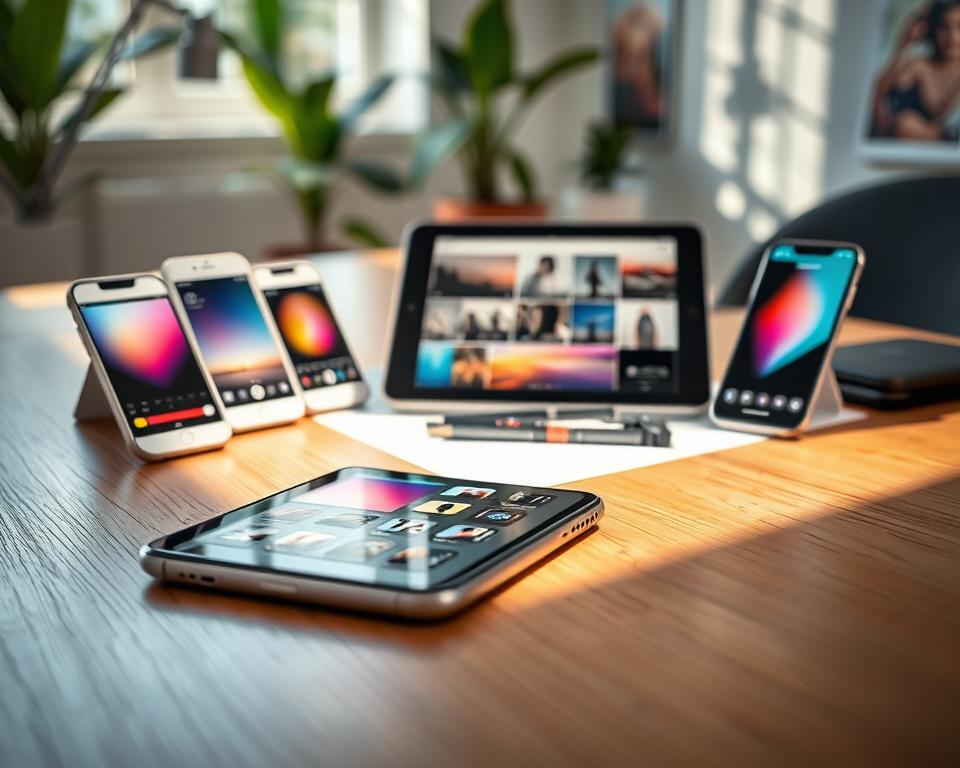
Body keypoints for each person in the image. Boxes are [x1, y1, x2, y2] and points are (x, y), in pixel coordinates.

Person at [871, 1, 960, 142]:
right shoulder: (919, 66)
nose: (953, 37)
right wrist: (902, 45)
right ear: (932, 30)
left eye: (959, 27)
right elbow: (875, 97)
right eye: (944, 27)